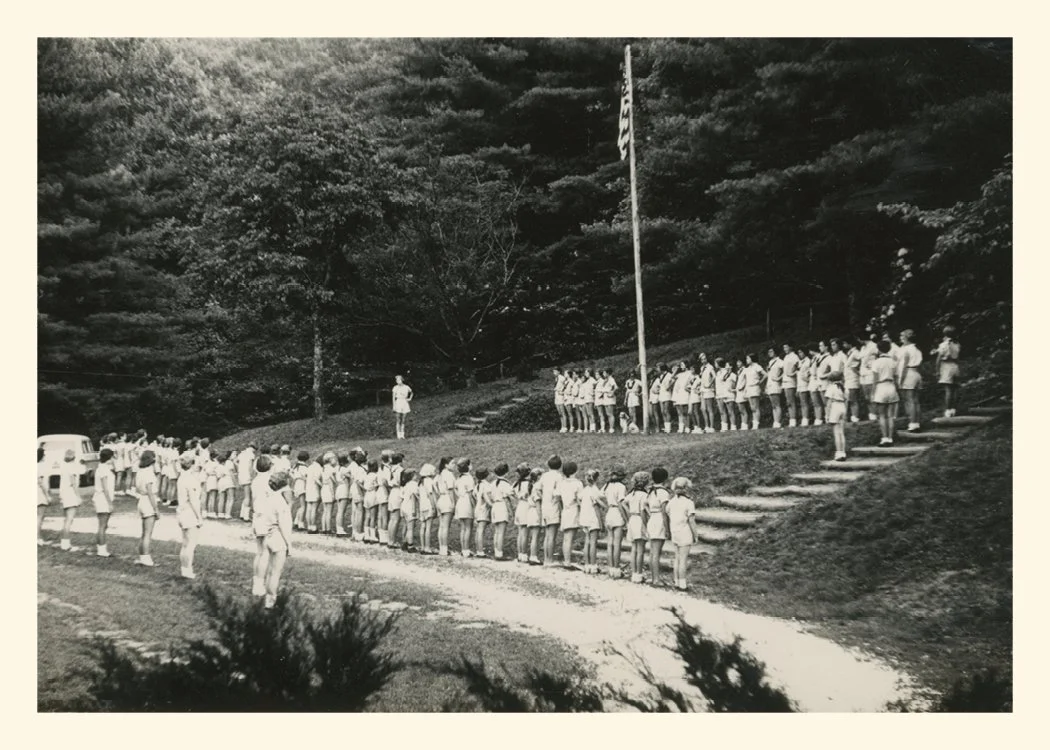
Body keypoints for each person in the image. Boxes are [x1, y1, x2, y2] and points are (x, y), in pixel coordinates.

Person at [252, 470, 294, 608]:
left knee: (270, 569)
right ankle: (271, 600)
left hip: (267, 534)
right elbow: (284, 525)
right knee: (275, 572)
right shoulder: (281, 503)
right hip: (278, 537)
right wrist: (289, 544)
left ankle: (268, 596)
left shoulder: (268, 499)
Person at [667, 477, 699, 591]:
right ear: (686, 489)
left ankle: (676, 581)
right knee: (683, 559)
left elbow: (668, 514)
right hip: (685, 532)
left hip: (674, 532)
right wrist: (695, 534)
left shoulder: (671, 502)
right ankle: (683, 583)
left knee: (677, 558)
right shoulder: (689, 503)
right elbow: (691, 520)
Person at [175, 454, 203, 579]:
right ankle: (187, 570)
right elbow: (194, 501)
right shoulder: (190, 480)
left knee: (185, 543)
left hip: (182, 510)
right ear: (191, 464)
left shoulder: (182, 477)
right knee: (191, 543)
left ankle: (184, 569)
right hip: (189, 512)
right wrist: (199, 517)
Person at [644, 467, 671, 587]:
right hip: (659, 520)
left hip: (652, 520)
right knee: (656, 552)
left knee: (652, 552)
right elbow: (665, 512)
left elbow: (644, 506)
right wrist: (668, 529)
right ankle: (656, 579)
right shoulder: (663, 492)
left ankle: (653, 577)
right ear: (665, 479)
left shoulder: (650, 491)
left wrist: (650, 513)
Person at [872, 339, 901, 445]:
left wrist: (872, 393)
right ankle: (890, 438)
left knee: (882, 415)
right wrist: (897, 389)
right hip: (891, 386)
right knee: (890, 415)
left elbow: (875, 380)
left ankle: (884, 438)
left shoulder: (876, 362)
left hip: (881, 387)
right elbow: (896, 377)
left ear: (878, 350)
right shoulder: (893, 362)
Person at [134, 449, 160, 566]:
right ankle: (146, 558)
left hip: (141, 500)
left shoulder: (140, 471)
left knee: (144, 533)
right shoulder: (149, 473)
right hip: (148, 501)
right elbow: (150, 492)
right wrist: (156, 509)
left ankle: (142, 556)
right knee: (148, 533)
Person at [579, 468, 606, 574]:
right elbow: (596, 507)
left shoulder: (584, 490)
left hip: (584, 518)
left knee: (587, 541)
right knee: (593, 542)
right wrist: (601, 522)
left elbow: (579, 499)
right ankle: (593, 565)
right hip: (593, 518)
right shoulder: (595, 491)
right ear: (597, 479)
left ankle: (586, 564)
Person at [602, 466, 628, 578]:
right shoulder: (621, 487)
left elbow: (598, 496)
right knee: (617, 543)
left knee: (610, 542)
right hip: (617, 512)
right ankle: (616, 568)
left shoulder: (606, 486)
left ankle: (610, 567)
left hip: (609, 512)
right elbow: (621, 503)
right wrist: (626, 519)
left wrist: (605, 506)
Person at [625, 471, 650, 583]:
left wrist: (629, 512)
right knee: (640, 550)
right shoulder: (644, 495)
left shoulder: (631, 494)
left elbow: (623, 503)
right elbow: (643, 511)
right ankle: (638, 574)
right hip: (640, 520)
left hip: (632, 519)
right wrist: (645, 525)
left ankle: (633, 573)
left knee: (634, 549)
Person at [91, 447, 116, 557]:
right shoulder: (103, 470)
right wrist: (110, 503)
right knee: (102, 525)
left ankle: (101, 547)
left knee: (104, 525)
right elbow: (105, 488)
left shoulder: (103, 468)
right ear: (109, 457)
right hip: (102, 499)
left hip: (102, 498)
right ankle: (101, 549)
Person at [540, 455, 564, 566]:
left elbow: (539, 489)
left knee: (547, 534)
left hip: (544, 506)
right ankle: (550, 560)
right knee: (552, 535)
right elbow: (558, 494)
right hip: (553, 506)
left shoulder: (544, 476)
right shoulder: (559, 477)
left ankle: (546, 558)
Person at [557, 462, 582, 569]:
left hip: (565, 510)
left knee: (567, 537)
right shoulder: (577, 483)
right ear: (575, 471)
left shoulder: (561, 483)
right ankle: (567, 561)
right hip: (573, 509)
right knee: (569, 537)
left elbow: (558, 498)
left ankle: (567, 560)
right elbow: (579, 499)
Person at [933, 325, 962, 417]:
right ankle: (954, 409)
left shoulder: (943, 345)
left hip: (946, 367)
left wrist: (937, 371)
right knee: (955, 389)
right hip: (955, 366)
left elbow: (938, 359)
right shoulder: (957, 344)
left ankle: (948, 410)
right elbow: (958, 358)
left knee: (948, 390)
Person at [898, 329, 923, 431]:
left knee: (909, 400)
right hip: (916, 373)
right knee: (915, 400)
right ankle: (916, 422)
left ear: (907, 337)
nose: (900, 338)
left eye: (902, 336)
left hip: (908, 373)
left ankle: (912, 422)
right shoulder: (916, 349)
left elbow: (904, 366)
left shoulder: (906, 350)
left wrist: (901, 380)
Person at [57, 449, 82, 551]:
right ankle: (65, 543)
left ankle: (64, 541)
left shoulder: (64, 466)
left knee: (66, 519)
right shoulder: (72, 467)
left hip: (64, 493)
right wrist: (78, 496)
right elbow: (73, 482)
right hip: (70, 494)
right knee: (69, 519)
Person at [490, 463, 513, 560]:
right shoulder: (505, 484)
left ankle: (496, 551)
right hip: (502, 505)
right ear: (506, 473)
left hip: (495, 505)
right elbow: (507, 498)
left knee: (497, 531)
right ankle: (499, 553)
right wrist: (511, 510)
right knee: (501, 531)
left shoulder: (493, 483)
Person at [454, 459, 476, 557]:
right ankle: (466, 550)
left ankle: (463, 549)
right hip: (467, 502)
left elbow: (455, 489)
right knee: (468, 527)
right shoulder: (469, 478)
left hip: (460, 502)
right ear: (467, 467)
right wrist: (474, 506)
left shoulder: (459, 478)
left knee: (463, 528)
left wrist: (459, 495)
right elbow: (471, 495)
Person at [825, 370, 848, 461]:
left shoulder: (831, 388)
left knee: (836, 432)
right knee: (841, 432)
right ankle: (843, 452)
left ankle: (838, 453)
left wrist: (827, 415)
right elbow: (846, 401)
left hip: (835, 407)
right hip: (842, 407)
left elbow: (829, 402)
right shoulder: (844, 388)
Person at [512, 463, 532, 562]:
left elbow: (512, 494)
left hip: (519, 506)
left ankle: (520, 553)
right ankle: (524, 554)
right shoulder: (529, 484)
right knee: (524, 532)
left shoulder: (516, 484)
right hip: (526, 506)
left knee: (520, 532)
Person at [436, 456, 456, 556]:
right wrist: (453, 503)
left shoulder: (440, 474)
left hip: (440, 499)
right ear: (446, 465)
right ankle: (444, 549)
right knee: (446, 526)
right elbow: (451, 489)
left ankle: (442, 548)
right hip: (447, 499)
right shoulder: (449, 474)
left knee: (442, 526)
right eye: (452, 463)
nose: (454, 465)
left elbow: (434, 486)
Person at [525, 467, 544, 565]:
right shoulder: (537, 488)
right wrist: (541, 519)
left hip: (530, 512)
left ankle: (532, 555)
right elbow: (538, 505)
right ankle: (533, 556)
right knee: (535, 537)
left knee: (533, 536)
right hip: (535, 513)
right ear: (539, 476)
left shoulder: (532, 486)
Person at [418, 463, 439, 554]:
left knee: (423, 526)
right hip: (428, 505)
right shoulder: (429, 481)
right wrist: (434, 506)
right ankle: (427, 547)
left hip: (422, 506)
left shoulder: (421, 482)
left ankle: (422, 546)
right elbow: (431, 494)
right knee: (428, 527)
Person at [743, 353, 767, 430]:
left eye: (748, 358)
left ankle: (756, 424)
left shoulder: (757, 366)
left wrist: (759, 382)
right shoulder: (747, 368)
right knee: (752, 407)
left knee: (756, 407)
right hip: (749, 388)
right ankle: (754, 423)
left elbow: (765, 375)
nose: (746, 360)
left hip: (755, 388)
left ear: (752, 359)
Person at [386, 452, 405, 548]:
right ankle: (392, 541)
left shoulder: (390, 469)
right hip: (397, 492)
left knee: (392, 518)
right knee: (396, 519)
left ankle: (390, 539)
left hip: (392, 492)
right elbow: (400, 482)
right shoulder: (400, 470)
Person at [860, 333, 880, 421]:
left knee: (873, 395)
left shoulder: (874, 346)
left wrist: (873, 365)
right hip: (863, 373)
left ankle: (876, 415)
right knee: (866, 397)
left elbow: (879, 356)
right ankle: (871, 415)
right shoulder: (862, 348)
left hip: (871, 373)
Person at [473, 467, 492, 558]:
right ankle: (480, 551)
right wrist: (492, 504)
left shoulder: (477, 485)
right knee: (481, 530)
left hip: (477, 508)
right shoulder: (487, 485)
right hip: (484, 508)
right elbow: (486, 497)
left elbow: (474, 496)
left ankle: (478, 549)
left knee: (478, 530)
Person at [399, 467, 419, 552]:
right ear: (411, 476)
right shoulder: (414, 484)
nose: (417, 476)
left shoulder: (405, 485)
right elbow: (414, 497)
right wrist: (414, 510)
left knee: (405, 525)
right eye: (415, 475)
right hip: (410, 506)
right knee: (410, 527)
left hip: (403, 506)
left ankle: (404, 542)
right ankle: (410, 546)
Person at [845, 337, 864, 423]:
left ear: (850, 344)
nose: (844, 345)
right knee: (850, 399)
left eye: (845, 343)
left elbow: (862, 359)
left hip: (854, 378)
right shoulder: (849, 353)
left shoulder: (856, 352)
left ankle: (855, 417)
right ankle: (853, 416)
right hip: (848, 379)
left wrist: (857, 369)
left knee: (853, 399)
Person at [350, 449, 367, 541]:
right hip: (358, 491)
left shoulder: (357, 468)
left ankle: (354, 531)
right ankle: (358, 532)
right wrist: (365, 490)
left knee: (356, 512)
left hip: (354, 490)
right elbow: (359, 482)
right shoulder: (361, 470)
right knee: (359, 512)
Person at [237, 443, 256, 522]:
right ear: (253, 448)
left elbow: (236, 462)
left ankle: (242, 514)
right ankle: (246, 516)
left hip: (241, 475)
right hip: (247, 475)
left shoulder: (242, 453)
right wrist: (252, 477)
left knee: (245, 496)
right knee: (248, 496)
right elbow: (250, 467)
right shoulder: (251, 454)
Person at [781, 343, 800, 427]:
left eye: (786, 347)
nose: (784, 349)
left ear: (790, 347)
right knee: (788, 401)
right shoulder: (786, 357)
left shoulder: (794, 356)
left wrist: (793, 374)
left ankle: (793, 420)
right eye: (784, 347)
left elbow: (799, 367)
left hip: (791, 381)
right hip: (785, 381)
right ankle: (791, 419)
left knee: (791, 401)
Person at [699, 353, 718, 433]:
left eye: (705, 359)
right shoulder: (702, 368)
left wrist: (709, 384)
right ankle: (706, 426)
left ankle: (711, 427)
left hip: (709, 390)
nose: (703, 360)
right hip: (702, 390)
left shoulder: (710, 367)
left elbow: (714, 376)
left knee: (709, 408)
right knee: (703, 409)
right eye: (702, 359)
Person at [377, 450, 393, 546]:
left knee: (380, 515)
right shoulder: (386, 468)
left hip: (380, 491)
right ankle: (384, 537)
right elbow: (386, 481)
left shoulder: (381, 467)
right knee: (384, 515)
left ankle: (381, 535)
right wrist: (389, 490)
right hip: (384, 491)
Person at [766, 347, 784, 429]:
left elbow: (785, 371)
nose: (769, 353)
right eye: (769, 351)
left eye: (771, 351)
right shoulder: (770, 362)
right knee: (773, 405)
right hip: (770, 384)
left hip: (776, 384)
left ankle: (778, 422)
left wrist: (779, 378)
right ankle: (775, 421)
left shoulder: (780, 361)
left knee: (777, 404)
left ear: (775, 352)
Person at [672, 362, 692, 434]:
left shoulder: (689, 373)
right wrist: (675, 371)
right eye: (680, 365)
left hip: (686, 393)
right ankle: (681, 427)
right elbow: (672, 377)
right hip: (679, 394)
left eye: (682, 365)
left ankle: (687, 427)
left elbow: (691, 380)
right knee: (680, 412)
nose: (681, 366)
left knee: (685, 412)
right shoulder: (679, 374)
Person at [334, 452, 351, 537]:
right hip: (344, 489)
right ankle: (340, 529)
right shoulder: (345, 469)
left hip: (338, 488)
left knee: (339, 510)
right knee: (341, 510)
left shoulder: (337, 468)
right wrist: (348, 494)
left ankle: (339, 528)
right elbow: (348, 481)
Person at [305, 453, 323, 533]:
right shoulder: (318, 468)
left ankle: (309, 526)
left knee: (309, 508)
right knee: (314, 509)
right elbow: (316, 479)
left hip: (308, 489)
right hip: (314, 489)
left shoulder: (310, 466)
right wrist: (322, 486)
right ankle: (313, 526)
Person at [319, 452, 336, 535]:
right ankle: (328, 528)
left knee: (325, 510)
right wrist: (333, 494)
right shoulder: (330, 469)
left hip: (323, 489)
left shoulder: (323, 468)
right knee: (329, 510)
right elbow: (331, 483)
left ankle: (323, 528)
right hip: (328, 489)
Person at [714, 357, 733, 432]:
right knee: (721, 411)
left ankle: (728, 426)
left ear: (719, 364)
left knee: (726, 410)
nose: (715, 365)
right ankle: (724, 426)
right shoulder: (718, 373)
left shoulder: (725, 371)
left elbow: (726, 382)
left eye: (715, 363)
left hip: (724, 393)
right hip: (718, 393)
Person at [363, 459, 380, 543]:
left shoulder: (367, 475)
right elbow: (377, 486)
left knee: (367, 516)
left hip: (366, 495)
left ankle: (366, 535)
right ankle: (372, 536)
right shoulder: (375, 475)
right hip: (373, 494)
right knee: (373, 517)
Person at [392, 374, 413, 440]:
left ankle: (402, 435)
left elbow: (412, 392)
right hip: (398, 402)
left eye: (399, 380)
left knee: (403, 420)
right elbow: (393, 397)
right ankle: (398, 435)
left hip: (404, 402)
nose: (398, 381)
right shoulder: (395, 387)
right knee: (398, 419)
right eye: (397, 380)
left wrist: (410, 398)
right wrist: (394, 406)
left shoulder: (406, 387)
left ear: (402, 380)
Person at [796, 346, 812, 426]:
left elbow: (810, 372)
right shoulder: (799, 362)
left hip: (805, 384)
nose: (800, 354)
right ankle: (804, 417)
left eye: (801, 352)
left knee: (805, 402)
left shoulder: (808, 361)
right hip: (799, 384)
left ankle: (806, 419)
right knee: (802, 403)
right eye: (798, 352)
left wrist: (807, 379)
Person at [38, 448, 51, 545]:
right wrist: (47, 495)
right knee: (40, 517)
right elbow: (41, 483)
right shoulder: (40, 467)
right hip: (38, 493)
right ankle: (38, 538)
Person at [218, 450, 236, 519]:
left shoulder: (222, 463)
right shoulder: (230, 463)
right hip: (229, 481)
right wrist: (235, 483)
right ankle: (227, 514)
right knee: (230, 498)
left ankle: (220, 514)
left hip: (221, 481)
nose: (235, 456)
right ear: (230, 455)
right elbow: (231, 474)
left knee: (221, 498)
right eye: (234, 454)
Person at [733, 358, 750, 430]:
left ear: (742, 362)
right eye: (737, 362)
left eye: (739, 362)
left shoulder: (745, 370)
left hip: (743, 391)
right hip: (738, 391)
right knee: (740, 409)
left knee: (743, 409)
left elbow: (747, 379)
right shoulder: (739, 371)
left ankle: (745, 424)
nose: (738, 363)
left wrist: (742, 386)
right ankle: (743, 424)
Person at [554, 367, 569, 433]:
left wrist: (561, 390)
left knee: (563, 412)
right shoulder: (556, 378)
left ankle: (565, 427)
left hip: (561, 396)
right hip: (556, 396)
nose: (554, 372)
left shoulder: (562, 378)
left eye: (555, 371)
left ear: (559, 371)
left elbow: (566, 384)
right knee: (559, 413)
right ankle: (562, 426)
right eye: (553, 371)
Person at [647, 368, 662, 434]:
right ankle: (655, 426)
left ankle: (658, 428)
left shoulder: (657, 380)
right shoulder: (650, 381)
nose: (650, 375)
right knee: (650, 413)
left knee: (655, 412)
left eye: (651, 374)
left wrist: (657, 392)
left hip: (655, 397)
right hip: (650, 397)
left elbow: (661, 388)